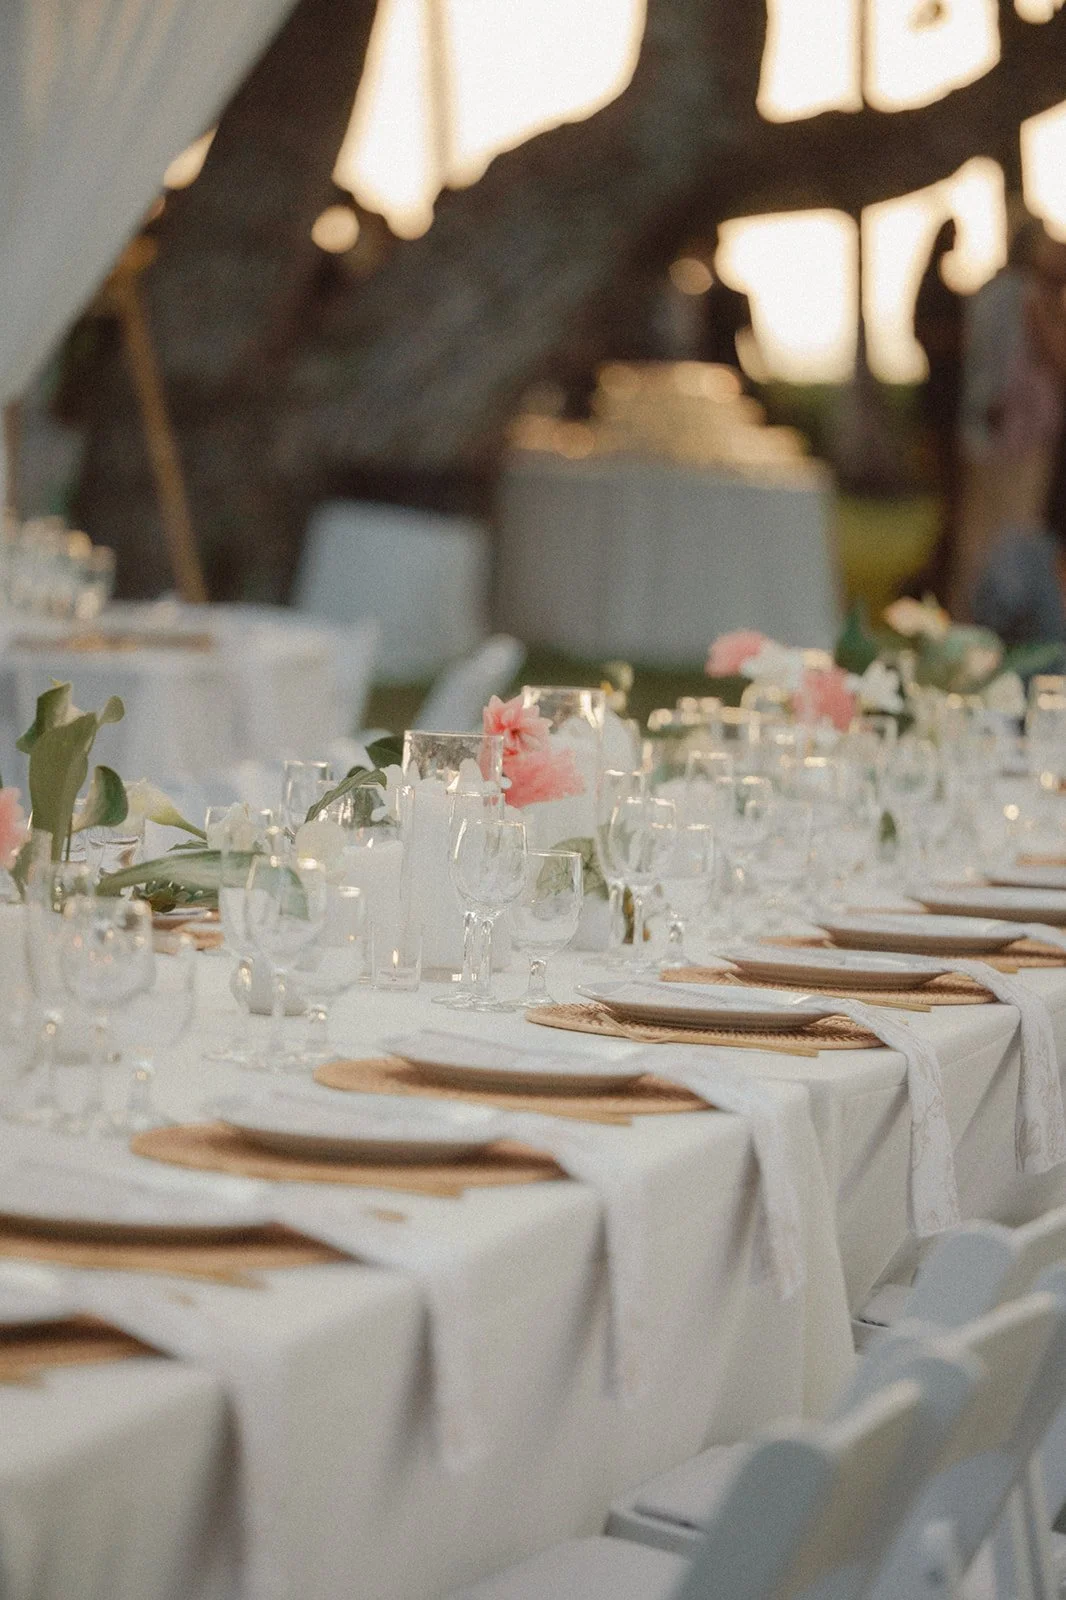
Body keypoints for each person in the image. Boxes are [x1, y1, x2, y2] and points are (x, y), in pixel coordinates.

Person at [951, 210, 1066, 617]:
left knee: (980, 529)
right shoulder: (1029, 297)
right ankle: (999, 617)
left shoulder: (992, 293)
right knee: (1011, 529)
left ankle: (968, 616)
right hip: (1019, 430)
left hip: (987, 426)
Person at [912, 219, 964, 601]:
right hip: (941, 403)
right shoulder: (934, 289)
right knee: (950, 497)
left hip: (950, 402)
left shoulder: (940, 286)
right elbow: (925, 335)